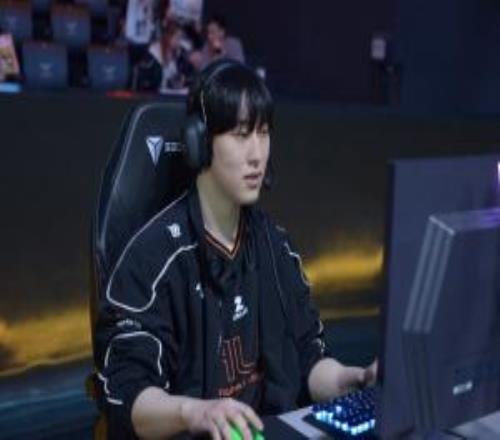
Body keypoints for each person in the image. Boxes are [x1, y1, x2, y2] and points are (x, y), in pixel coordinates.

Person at [94, 59, 375, 440]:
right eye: (241, 134)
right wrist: (196, 412)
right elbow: (130, 399)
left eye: (263, 133)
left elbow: (309, 360)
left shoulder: (274, 246)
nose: (257, 154)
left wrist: (353, 380)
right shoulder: (153, 260)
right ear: (199, 142)